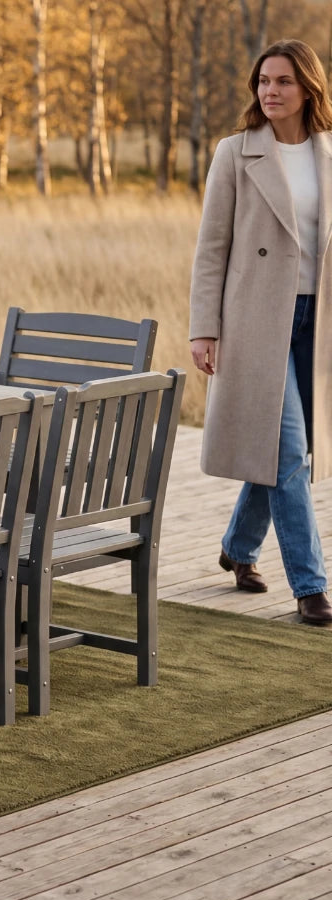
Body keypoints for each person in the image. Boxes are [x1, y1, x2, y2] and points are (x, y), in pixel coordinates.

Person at [191, 37, 332, 626]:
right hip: (254, 320)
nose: (269, 92)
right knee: (289, 451)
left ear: (308, 89)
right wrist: (205, 329)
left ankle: (237, 550)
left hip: (317, 323)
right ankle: (311, 587)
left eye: (282, 82)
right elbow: (210, 250)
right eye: (263, 82)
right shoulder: (235, 153)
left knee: (283, 452)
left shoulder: (330, 153)